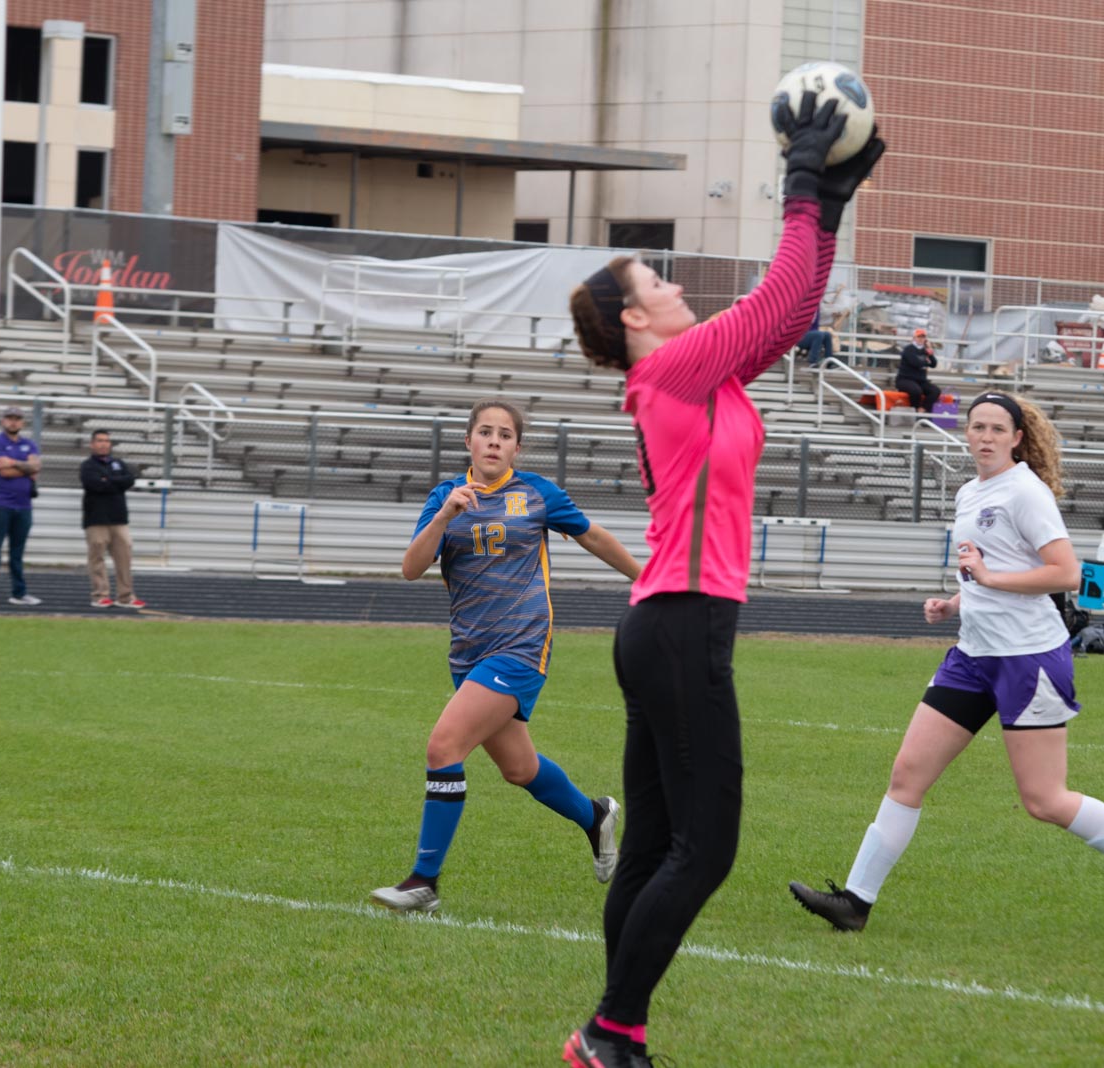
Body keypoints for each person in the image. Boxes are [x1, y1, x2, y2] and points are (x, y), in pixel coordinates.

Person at [556, 93, 884, 1068]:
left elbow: (794, 311)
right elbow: (774, 299)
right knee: (707, 849)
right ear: (633, 316)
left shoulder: (707, 375)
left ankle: (618, 1034)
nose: (674, 285)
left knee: (657, 848)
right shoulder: (674, 372)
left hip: (662, 628)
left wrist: (828, 209)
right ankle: (608, 1032)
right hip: (680, 629)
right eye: (657, 279)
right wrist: (799, 184)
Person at [788, 393, 1104, 946]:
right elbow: (990, 569)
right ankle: (855, 902)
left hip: (1028, 659)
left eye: (996, 428)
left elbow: (1065, 573)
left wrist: (988, 579)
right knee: (907, 775)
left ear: (1017, 437)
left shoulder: (1025, 492)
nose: (984, 436)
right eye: (976, 426)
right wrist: (955, 602)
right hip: (972, 656)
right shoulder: (969, 492)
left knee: (1044, 800)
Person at [371, 399, 643, 915]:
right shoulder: (445, 496)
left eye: (504, 434)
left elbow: (592, 535)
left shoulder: (537, 493)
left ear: (517, 447)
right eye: (484, 432)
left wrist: (648, 580)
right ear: (468, 441)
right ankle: (595, 817)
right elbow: (411, 567)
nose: (494, 441)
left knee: (443, 746)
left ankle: (423, 882)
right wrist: (446, 514)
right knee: (520, 769)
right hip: (468, 652)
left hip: (521, 645)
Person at [79, 429, 143, 610]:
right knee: (97, 558)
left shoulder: (118, 463)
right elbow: (94, 484)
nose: (104, 444)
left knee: (124, 558)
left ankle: (125, 597)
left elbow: (129, 480)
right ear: (92, 444)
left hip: (118, 518)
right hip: (96, 519)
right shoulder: (87, 466)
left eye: (107, 441)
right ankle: (100, 595)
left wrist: (108, 480)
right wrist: (116, 482)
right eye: (100, 440)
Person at [0, 405, 42, 606]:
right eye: (10, 418)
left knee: (17, 553)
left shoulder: (29, 444)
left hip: (24, 505)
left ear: (22, 422)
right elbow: (1, 470)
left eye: (17, 418)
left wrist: (12, 463)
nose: (13, 422)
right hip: (0, 504)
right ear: (3, 420)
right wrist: (25, 467)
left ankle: (19, 593)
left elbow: (36, 467)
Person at [896, 327, 942, 411]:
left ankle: (922, 409)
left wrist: (930, 352)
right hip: (905, 379)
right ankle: (915, 410)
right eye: (919, 337)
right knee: (916, 391)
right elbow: (916, 363)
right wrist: (926, 363)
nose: (921, 339)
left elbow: (934, 364)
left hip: (920, 381)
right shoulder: (908, 349)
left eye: (923, 337)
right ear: (914, 338)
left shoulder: (925, 350)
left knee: (935, 391)